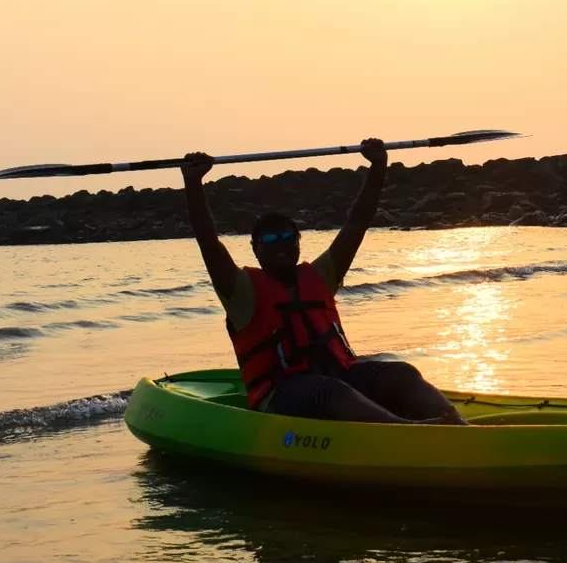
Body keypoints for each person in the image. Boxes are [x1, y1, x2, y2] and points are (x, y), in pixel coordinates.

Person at [181, 139, 466, 425]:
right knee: (327, 390)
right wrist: (193, 184)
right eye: (269, 240)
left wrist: (378, 166)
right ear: (255, 248)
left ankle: (461, 427)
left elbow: (357, 223)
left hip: (339, 377)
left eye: (287, 239)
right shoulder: (240, 291)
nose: (280, 245)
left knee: (402, 373)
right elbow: (208, 241)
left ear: (298, 244)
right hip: (281, 395)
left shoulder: (319, 276)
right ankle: (407, 431)